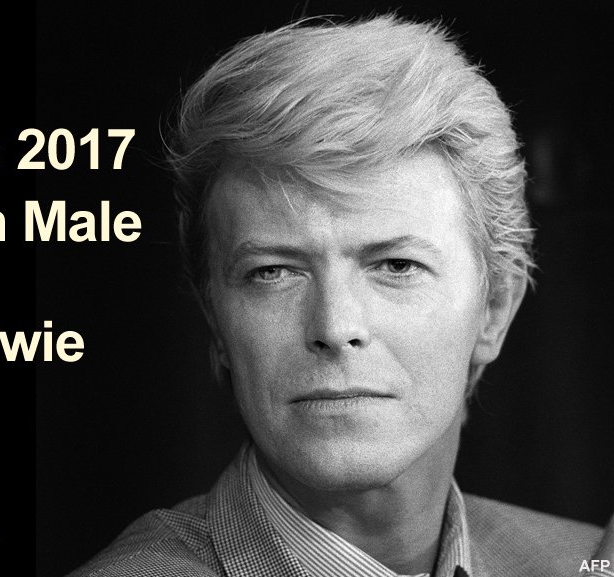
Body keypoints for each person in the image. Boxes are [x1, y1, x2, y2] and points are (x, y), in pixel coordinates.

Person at [67, 14, 607, 577]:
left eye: (396, 266)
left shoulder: (584, 561)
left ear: (494, 310)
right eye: (273, 272)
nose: (334, 325)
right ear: (216, 320)